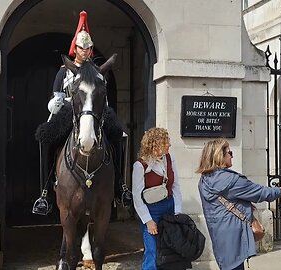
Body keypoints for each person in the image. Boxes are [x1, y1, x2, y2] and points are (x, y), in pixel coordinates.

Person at [32, 10, 132, 215]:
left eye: (88, 47)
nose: (85, 51)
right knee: (45, 138)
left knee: (121, 136)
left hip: (95, 111)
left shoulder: (98, 71)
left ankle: (120, 187)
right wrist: (57, 104)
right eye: (81, 47)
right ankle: (45, 192)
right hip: (70, 110)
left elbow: (102, 96)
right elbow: (57, 96)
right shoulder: (64, 71)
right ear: (75, 48)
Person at [196, 138, 281, 270]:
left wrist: (243, 203)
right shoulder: (231, 180)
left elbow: (221, 202)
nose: (232, 156)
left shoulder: (204, 180)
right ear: (220, 156)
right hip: (235, 236)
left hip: (219, 236)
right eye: (229, 153)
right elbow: (264, 193)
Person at [132, 127, 183, 270]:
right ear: (155, 144)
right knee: (152, 250)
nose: (169, 144)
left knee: (170, 248)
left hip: (170, 206)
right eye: (166, 141)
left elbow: (176, 186)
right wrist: (148, 221)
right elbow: (137, 196)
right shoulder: (140, 166)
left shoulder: (170, 158)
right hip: (151, 210)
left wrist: (177, 212)